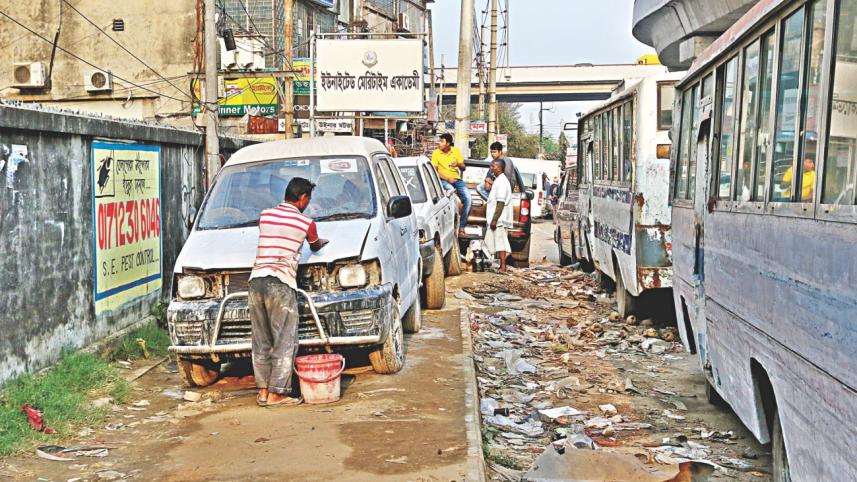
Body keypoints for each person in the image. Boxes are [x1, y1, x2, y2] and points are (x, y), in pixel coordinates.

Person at [249, 177, 329, 407]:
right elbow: (314, 244)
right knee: (284, 340)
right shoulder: (306, 223)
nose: (308, 204)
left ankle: (263, 392)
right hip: (281, 282)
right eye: (308, 200)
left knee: (261, 341)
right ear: (303, 198)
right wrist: (319, 242)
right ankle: (277, 394)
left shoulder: (266, 215)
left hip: (256, 281)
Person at [432, 133, 471, 236]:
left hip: (456, 179)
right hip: (443, 180)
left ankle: (462, 226)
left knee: (468, 198)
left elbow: (463, 167)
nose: (439, 143)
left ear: (448, 143)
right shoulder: (436, 153)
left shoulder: (455, 151)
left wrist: (458, 164)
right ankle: (451, 225)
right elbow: (435, 172)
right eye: (439, 141)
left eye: (442, 141)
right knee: (451, 193)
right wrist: (447, 179)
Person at [485, 159, 513, 272]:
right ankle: (497, 264)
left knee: (501, 243)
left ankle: (503, 266)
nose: (491, 168)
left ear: (500, 168)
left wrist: (494, 220)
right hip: (496, 218)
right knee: (495, 242)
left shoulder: (502, 182)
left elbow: (500, 202)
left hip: (499, 219)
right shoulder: (498, 180)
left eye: (493, 166)